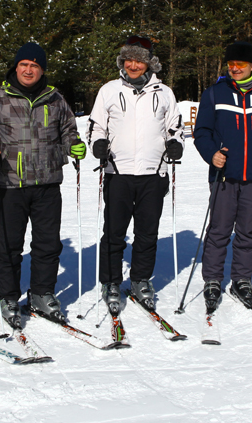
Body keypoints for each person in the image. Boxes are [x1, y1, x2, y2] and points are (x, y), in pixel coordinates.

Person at [0, 42, 85, 328]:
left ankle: (41, 293)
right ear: (16, 67)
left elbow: (68, 130)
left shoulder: (55, 99)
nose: (28, 70)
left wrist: (73, 145)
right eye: (24, 64)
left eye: (35, 66)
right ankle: (8, 296)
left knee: (48, 244)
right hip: (11, 183)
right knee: (10, 245)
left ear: (42, 70)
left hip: (48, 183)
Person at [88, 36, 184, 314]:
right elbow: (97, 126)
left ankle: (141, 280)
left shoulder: (164, 92)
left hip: (154, 173)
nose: (133, 65)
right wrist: (98, 143)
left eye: (139, 60)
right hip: (118, 172)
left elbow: (174, 127)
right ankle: (111, 281)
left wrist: (175, 143)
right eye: (128, 59)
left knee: (147, 233)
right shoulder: (108, 90)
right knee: (114, 232)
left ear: (149, 63)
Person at [193, 41, 252, 314]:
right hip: (224, 175)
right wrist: (212, 154)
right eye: (231, 64)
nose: (234, 69)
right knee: (219, 230)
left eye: (240, 65)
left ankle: (241, 280)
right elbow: (202, 132)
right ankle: (212, 279)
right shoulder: (214, 93)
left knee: (248, 232)